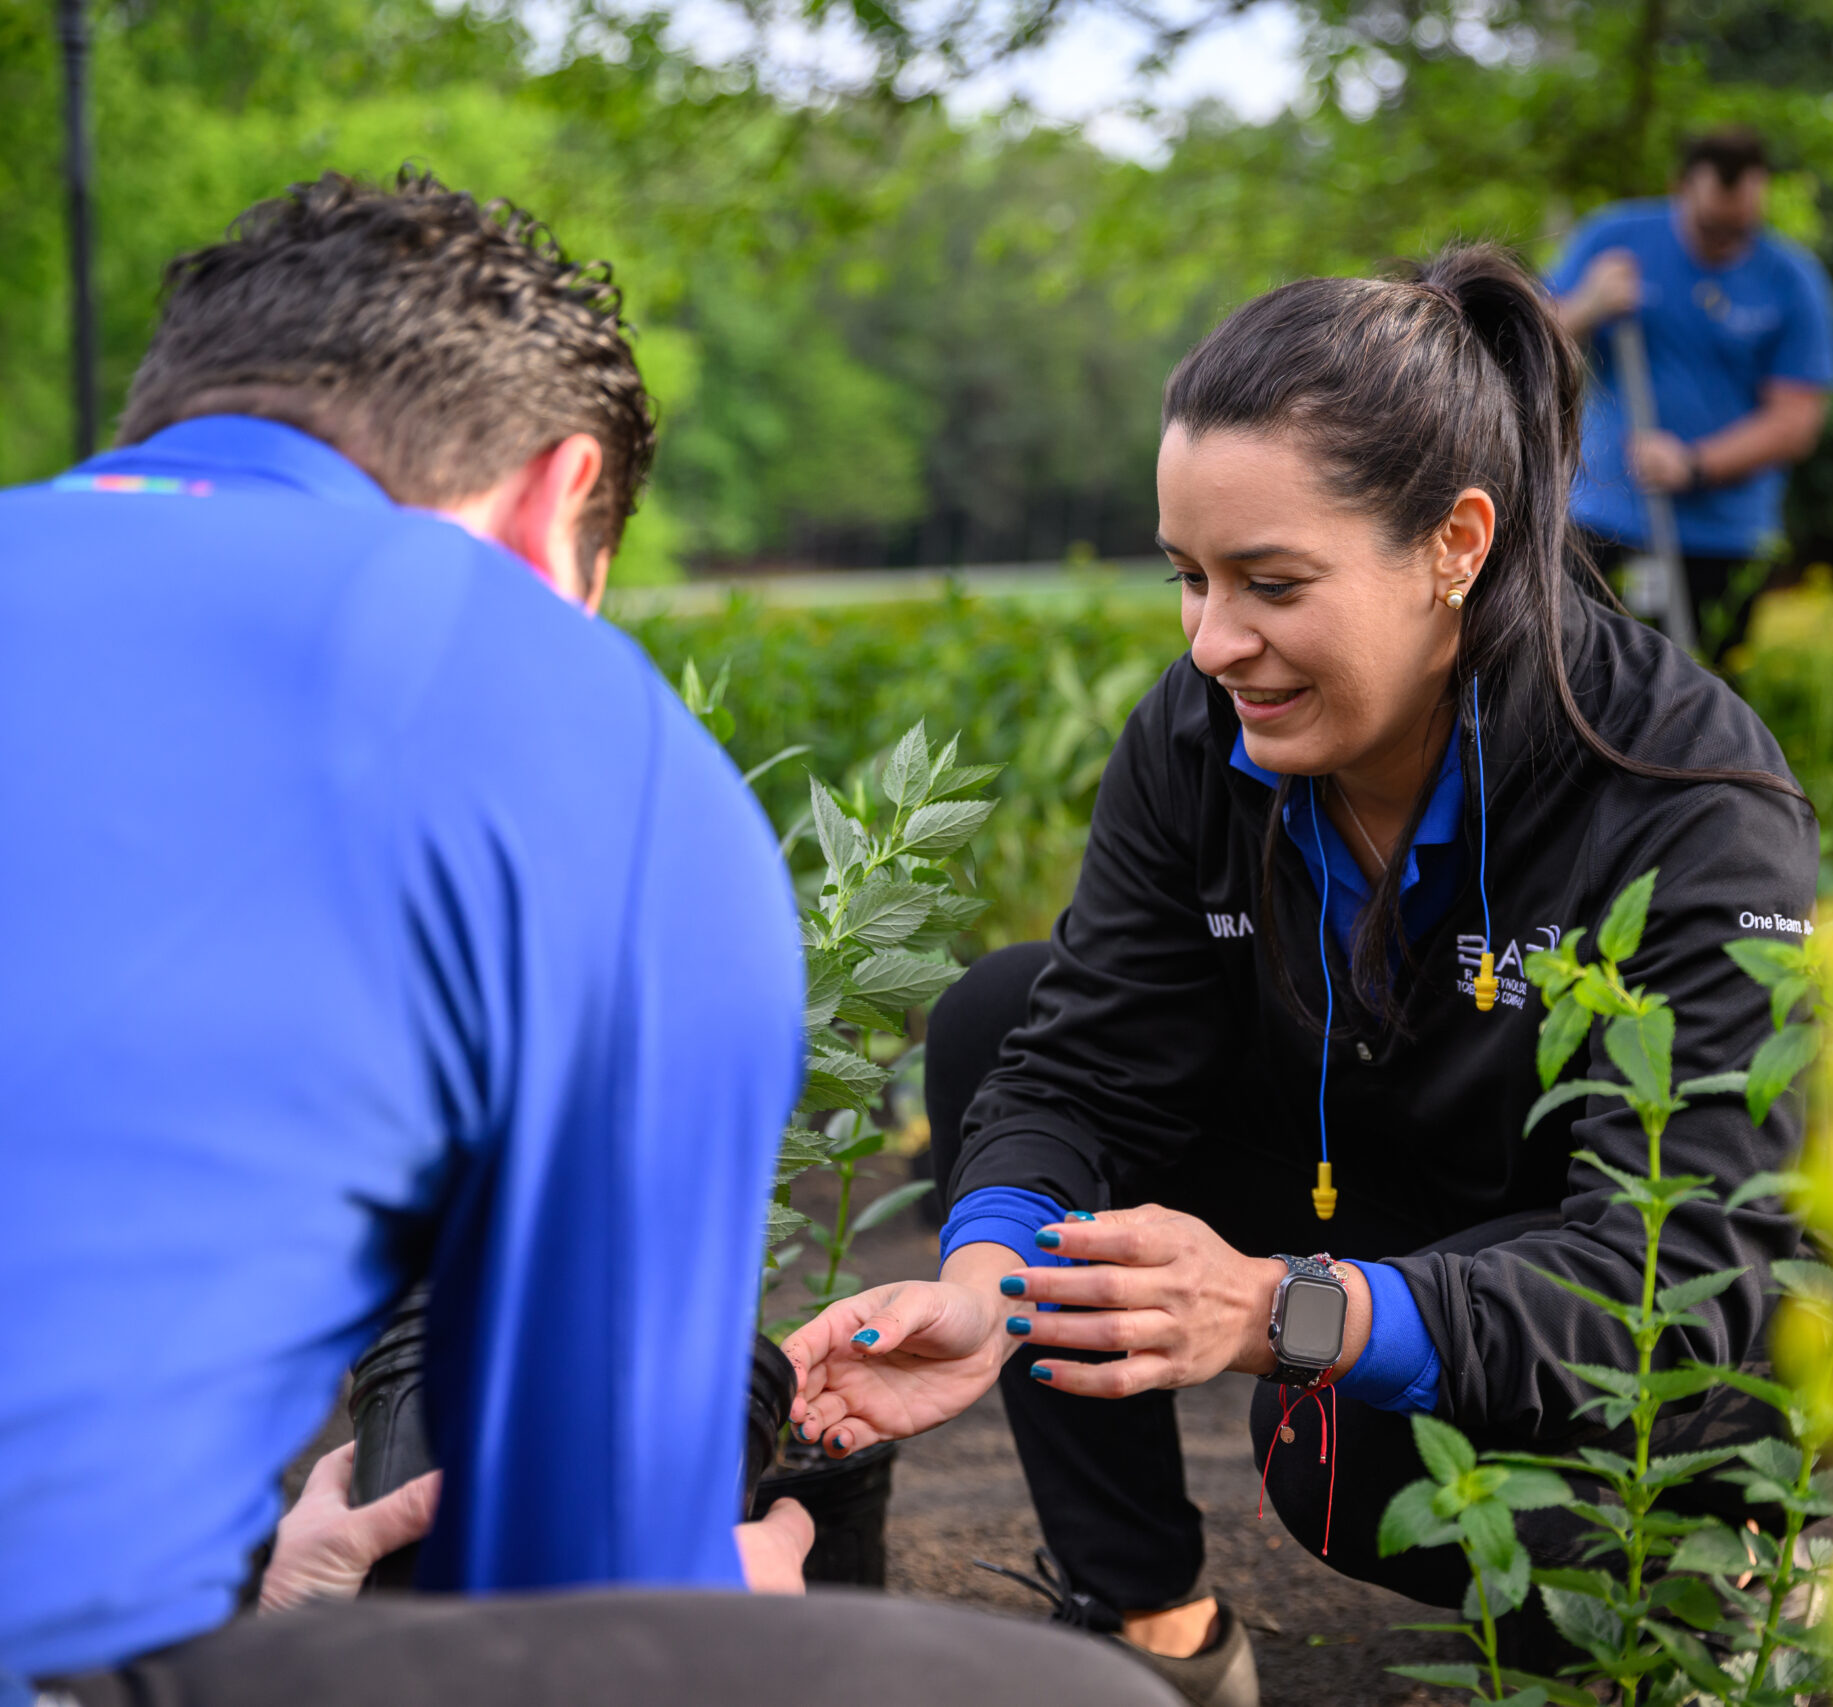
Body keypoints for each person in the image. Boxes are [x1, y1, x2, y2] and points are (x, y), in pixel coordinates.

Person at [0, 170, 1175, 1707]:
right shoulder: (562, 721)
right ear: (558, 503)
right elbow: (587, 1566)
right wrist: (726, 1607)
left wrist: (282, 1594)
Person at [783, 244, 1829, 1707]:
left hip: (1617, 1303)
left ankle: (1729, 1599)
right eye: (1191, 579)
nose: (1215, 642)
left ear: (1456, 543)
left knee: (1461, 1507)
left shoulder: (1680, 796)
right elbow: (1078, 1062)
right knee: (1001, 1014)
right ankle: (1153, 1622)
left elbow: (1694, 1270)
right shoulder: (1204, 731)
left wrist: (1287, 1306)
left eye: (1272, 582)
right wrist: (989, 1280)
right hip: (1368, 1193)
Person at [1549, 126, 1833, 661]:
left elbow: (1796, 422)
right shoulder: (1615, 240)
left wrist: (1693, 464)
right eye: (1711, 227)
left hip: (1725, 537)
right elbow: (1526, 341)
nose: (1724, 243)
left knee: (1705, 697)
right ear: (1680, 187)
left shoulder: (1791, 280)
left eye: (1740, 228)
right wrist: (1587, 306)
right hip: (1606, 524)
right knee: (1580, 685)